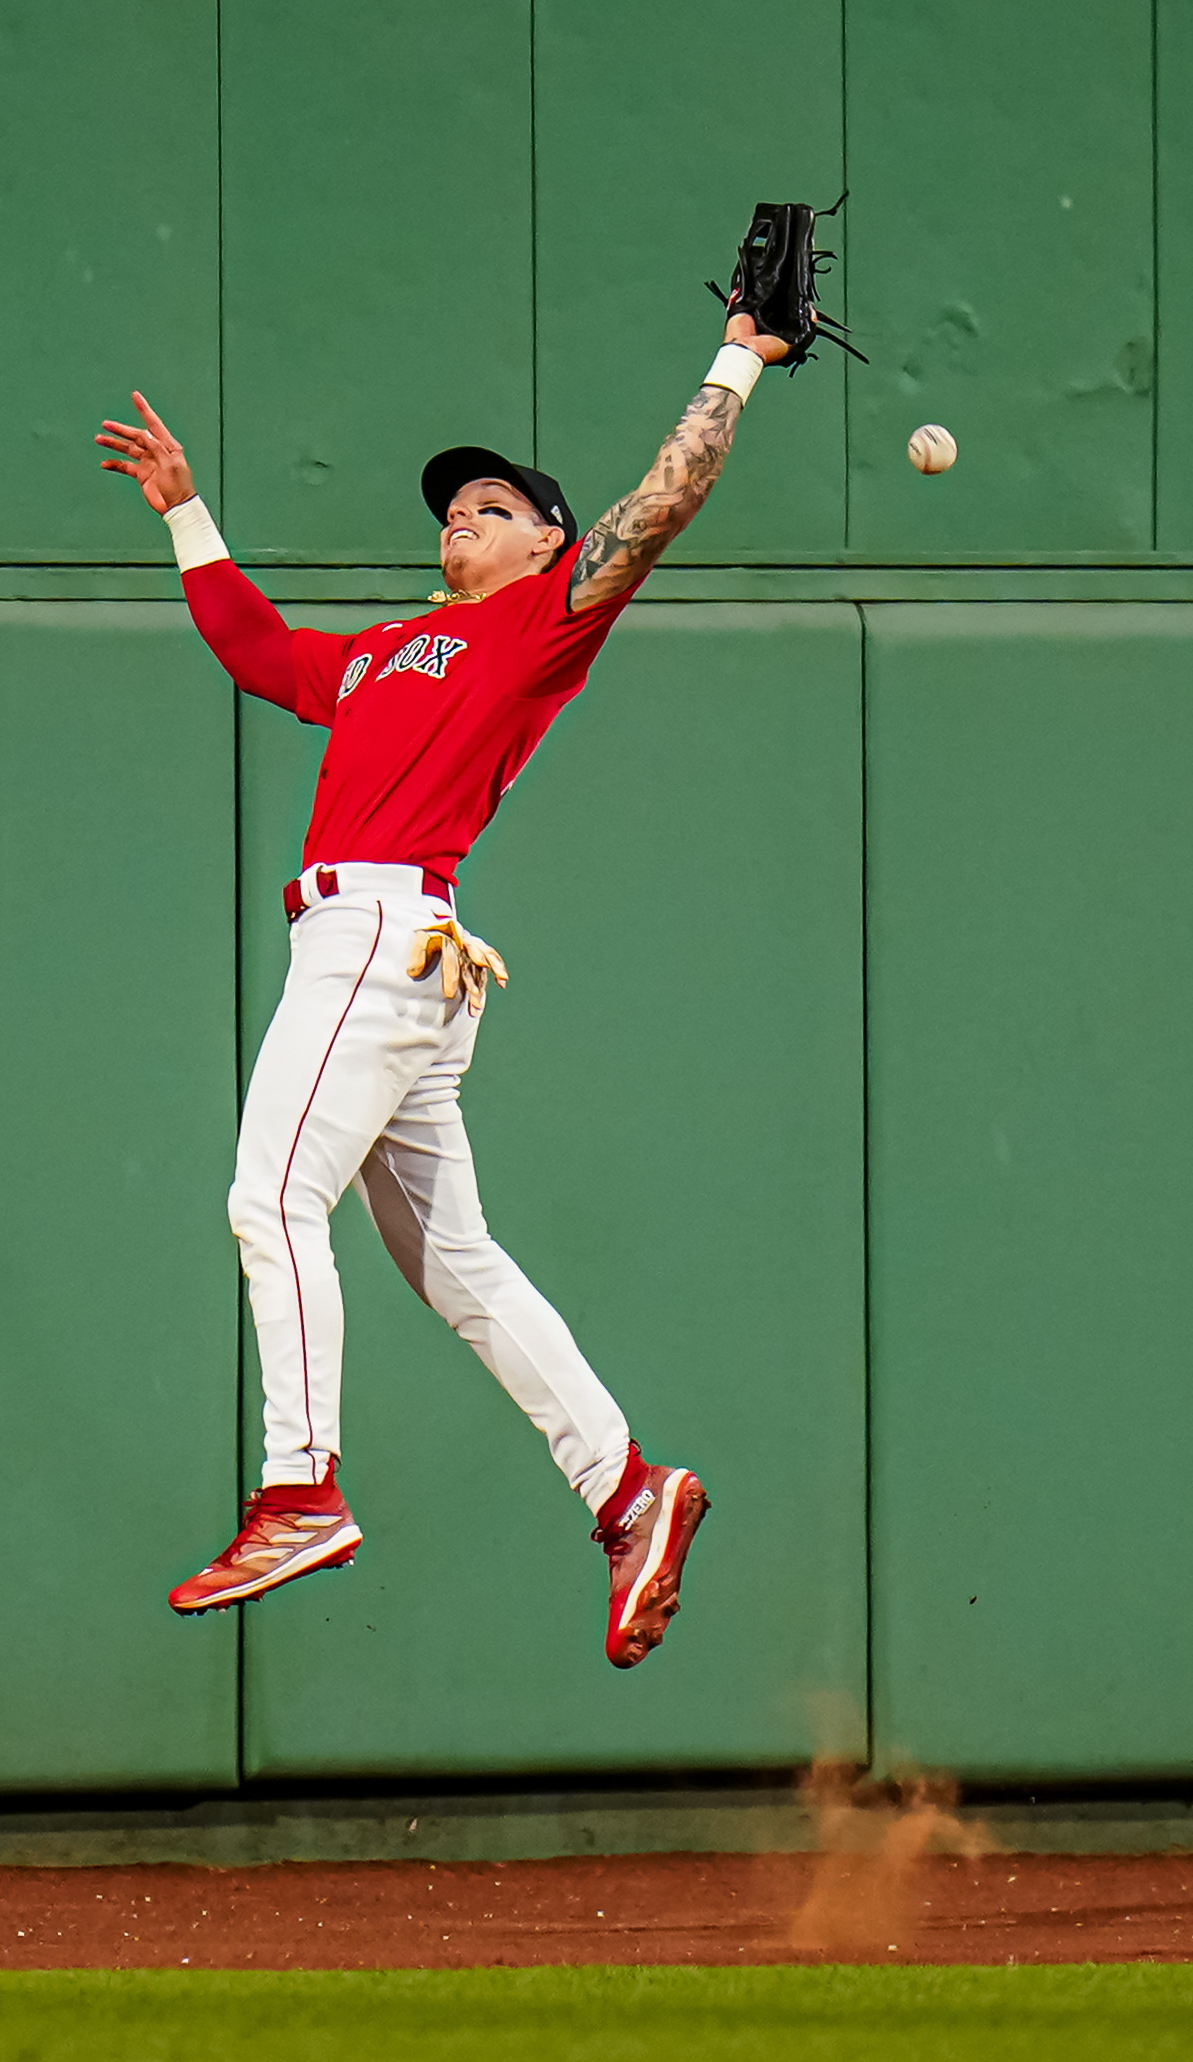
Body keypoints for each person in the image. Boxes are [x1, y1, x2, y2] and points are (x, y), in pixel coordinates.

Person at [93, 306, 794, 1668]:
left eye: (496, 503)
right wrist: (189, 516)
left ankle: (301, 1488)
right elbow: (253, 647)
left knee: (269, 1198)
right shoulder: (374, 656)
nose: (462, 517)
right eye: (452, 507)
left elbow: (668, 497)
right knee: (455, 1262)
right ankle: (630, 1486)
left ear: (548, 540)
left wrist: (737, 358)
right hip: (393, 964)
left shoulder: (541, 621)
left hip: (377, 939)